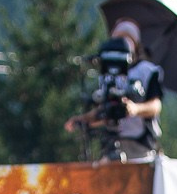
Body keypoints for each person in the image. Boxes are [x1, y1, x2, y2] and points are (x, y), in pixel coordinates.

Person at [64, 17, 165, 161]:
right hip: (111, 144)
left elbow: (155, 105)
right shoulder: (108, 73)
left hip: (141, 146)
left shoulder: (147, 71)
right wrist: (85, 119)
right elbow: (105, 108)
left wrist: (135, 109)